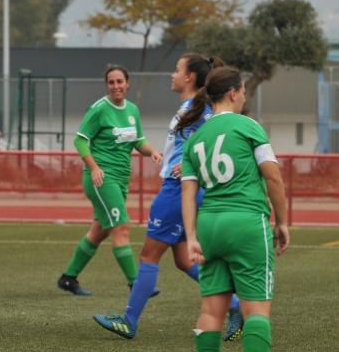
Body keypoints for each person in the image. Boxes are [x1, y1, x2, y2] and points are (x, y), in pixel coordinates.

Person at [93, 54, 243, 340]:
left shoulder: (197, 110)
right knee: (185, 260)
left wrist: (188, 164)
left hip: (178, 190)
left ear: (189, 77)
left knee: (149, 254)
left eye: (176, 70)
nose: (171, 75)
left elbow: (211, 143)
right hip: (184, 190)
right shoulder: (194, 108)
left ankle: (128, 320)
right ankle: (235, 306)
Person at [179, 66, 289, 352]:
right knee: (257, 313)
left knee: (211, 313)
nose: (243, 96)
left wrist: (191, 237)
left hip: (209, 227)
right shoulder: (247, 126)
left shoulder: (195, 139)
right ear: (232, 92)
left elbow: (188, 194)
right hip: (246, 223)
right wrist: (282, 222)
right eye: (242, 90)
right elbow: (273, 177)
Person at [57, 65, 162, 296]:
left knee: (99, 230)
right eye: (111, 82)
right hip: (102, 178)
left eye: (120, 81)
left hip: (120, 179)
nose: (116, 86)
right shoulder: (99, 109)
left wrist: (152, 151)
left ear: (128, 83)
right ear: (107, 85)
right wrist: (94, 167)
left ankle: (68, 278)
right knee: (121, 227)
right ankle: (136, 284)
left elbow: (138, 141)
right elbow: (80, 141)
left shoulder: (132, 110)